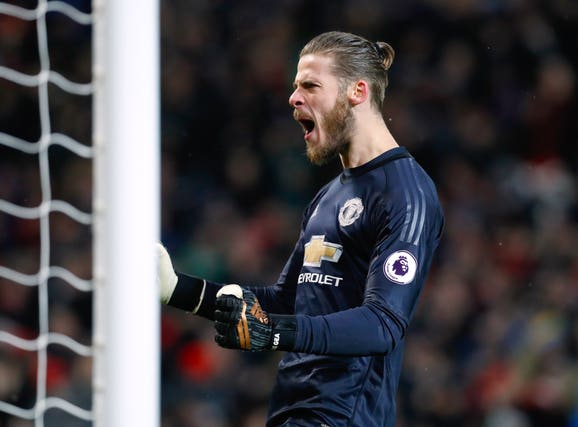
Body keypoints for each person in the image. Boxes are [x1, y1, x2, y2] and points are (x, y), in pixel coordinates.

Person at [158, 31, 444, 427]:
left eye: (310, 85)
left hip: (343, 415)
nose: (293, 99)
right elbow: (288, 301)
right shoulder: (329, 195)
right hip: (293, 410)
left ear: (357, 92)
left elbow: (382, 324)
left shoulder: (406, 193)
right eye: (295, 87)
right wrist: (180, 290)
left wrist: (273, 333)